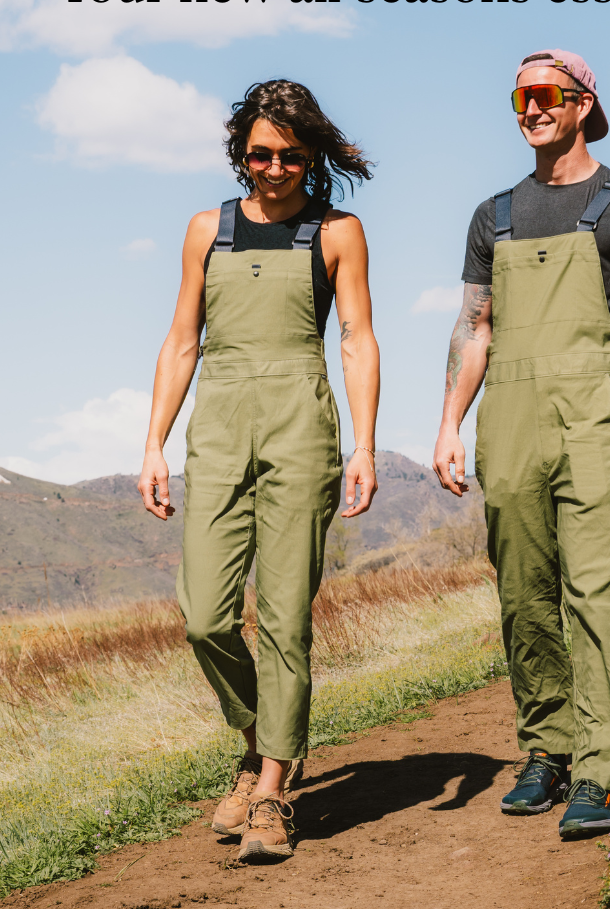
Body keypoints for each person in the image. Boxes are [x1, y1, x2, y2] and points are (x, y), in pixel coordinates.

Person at [432, 49, 610, 839]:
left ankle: (600, 768)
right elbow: (473, 326)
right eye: (518, 97)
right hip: (509, 414)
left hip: (594, 409)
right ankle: (545, 752)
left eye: (546, 94)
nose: (531, 109)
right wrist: (450, 423)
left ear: (583, 103)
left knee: (595, 587)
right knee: (523, 590)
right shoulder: (496, 214)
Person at [139, 79, 380, 864]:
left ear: (312, 155)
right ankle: (259, 740)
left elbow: (356, 340)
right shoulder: (207, 229)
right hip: (218, 426)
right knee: (204, 616)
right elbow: (181, 342)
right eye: (258, 155)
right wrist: (154, 446)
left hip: (300, 427)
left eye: (289, 155)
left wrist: (365, 447)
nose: (273, 169)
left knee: (283, 618)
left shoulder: (337, 231)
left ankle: (272, 791)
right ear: (239, 153)